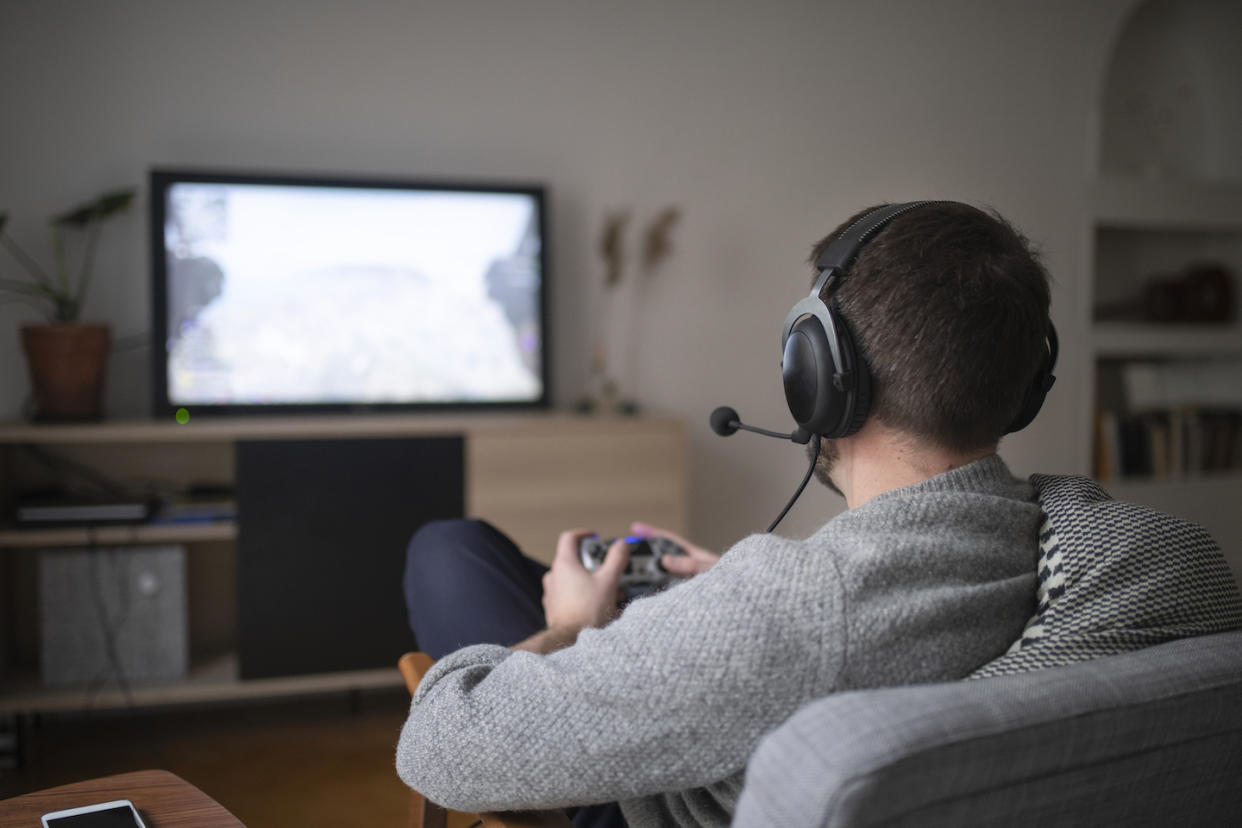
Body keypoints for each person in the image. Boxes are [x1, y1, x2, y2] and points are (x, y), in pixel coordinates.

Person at [396, 201, 1242, 828]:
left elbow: (439, 745)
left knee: (447, 549)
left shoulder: (798, 609)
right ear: (1025, 389)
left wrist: (572, 630)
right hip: (793, 670)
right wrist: (732, 591)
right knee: (470, 552)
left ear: (819, 374)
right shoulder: (1127, 552)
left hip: (636, 802)